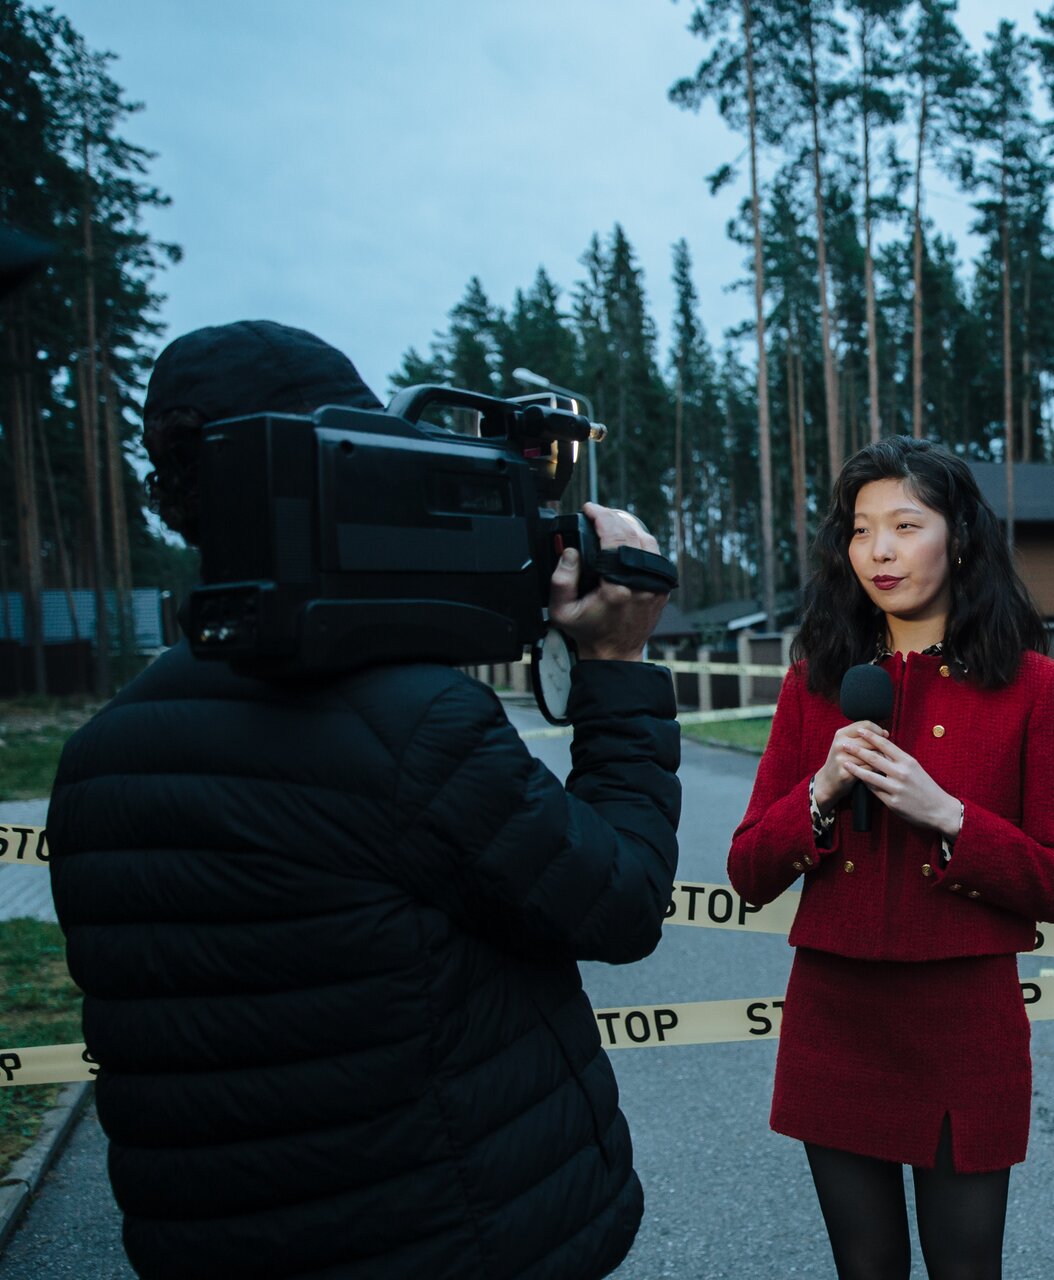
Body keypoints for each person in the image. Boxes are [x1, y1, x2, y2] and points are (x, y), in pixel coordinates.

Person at [47, 321, 681, 1280]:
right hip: (453, 1241)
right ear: (335, 464)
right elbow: (622, 897)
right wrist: (617, 663)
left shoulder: (99, 753)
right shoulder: (414, 728)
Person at [728, 436, 1054, 1280]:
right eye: (861, 530)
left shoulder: (1033, 687)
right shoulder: (813, 684)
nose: (880, 551)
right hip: (834, 1016)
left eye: (904, 524)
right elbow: (748, 871)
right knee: (868, 1269)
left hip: (963, 1024)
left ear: (958, 537)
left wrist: (950, 816)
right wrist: (819, 791)